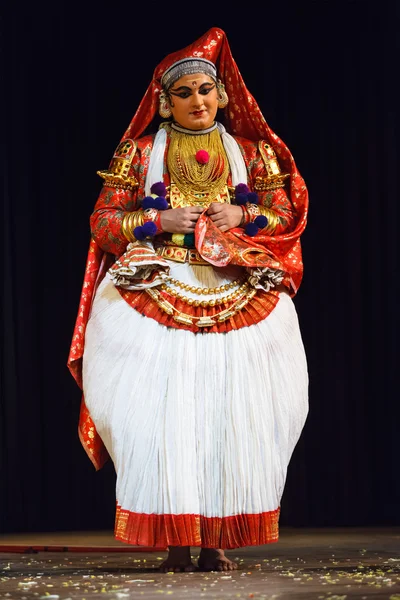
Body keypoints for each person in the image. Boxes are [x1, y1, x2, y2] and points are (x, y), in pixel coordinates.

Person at [68, 27, 309, 573]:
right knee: (162, 412)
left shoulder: (253, 153)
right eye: (185, 93)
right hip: (156, 286)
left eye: (206, 90)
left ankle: (217, 538)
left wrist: (245, 216)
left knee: (234, 407)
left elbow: (285, 216)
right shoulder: (139, 152)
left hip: (237, 286)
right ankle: (176, 539)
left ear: (222, 96)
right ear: (163, 102)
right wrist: (156, 219)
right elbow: (104, 222)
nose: (198, 101)